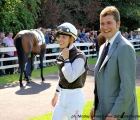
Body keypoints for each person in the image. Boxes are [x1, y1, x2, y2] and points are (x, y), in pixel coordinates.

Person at [90, 6, 138, 120]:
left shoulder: (124, 47)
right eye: (102, 23)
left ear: (118, 23)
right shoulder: (103, 47)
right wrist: (95, 105)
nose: (105, 27)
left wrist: (116, 113)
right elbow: (101, 84)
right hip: (101, 111)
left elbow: (128, 87)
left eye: (109, 23)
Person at [51, 22, 88, 120]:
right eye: (59, 36)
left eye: (64, 37)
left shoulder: (80, 56)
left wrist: (66, 59)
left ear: (72, 39)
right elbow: (61, 78)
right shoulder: (61, 55)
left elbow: (71, 78)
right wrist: (56, 94)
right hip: (62, 96)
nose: (60, 39)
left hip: (75, 98)